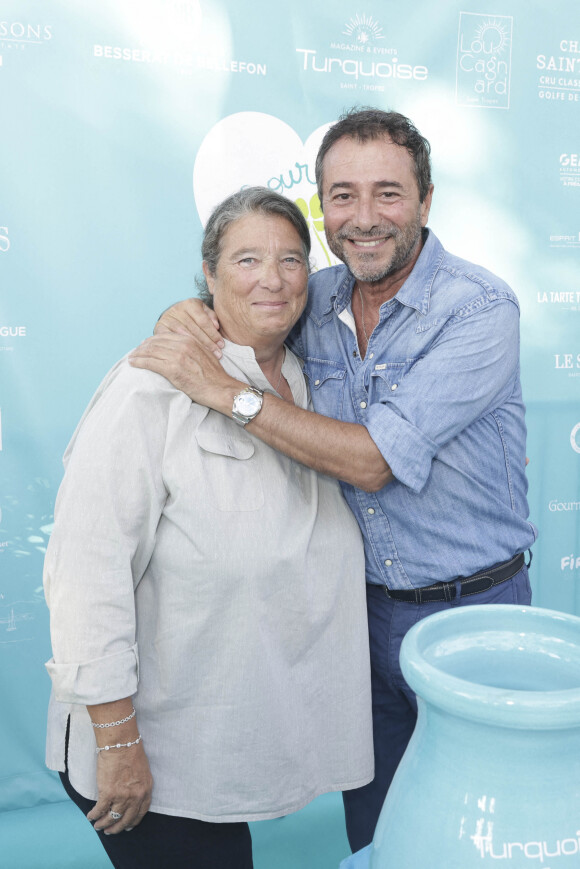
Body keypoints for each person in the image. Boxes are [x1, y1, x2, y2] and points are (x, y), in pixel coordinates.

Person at [129, 108, 538, 853]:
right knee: (377, 833)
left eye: (388, 193)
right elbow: (224, 304)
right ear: (323, 207)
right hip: (353, 613)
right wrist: (186, 312)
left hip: (471, 612)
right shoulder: (311, 296)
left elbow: (372, 461)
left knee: (481, 836)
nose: (365, 217)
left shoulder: (479, 308)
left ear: (426, 201)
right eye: (342, 196)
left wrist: (230, 394)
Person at [43, 187, 374, 869]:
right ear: (210, 272)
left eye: (290, 259)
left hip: (225, 743)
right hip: (149, 753)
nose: (273, 278)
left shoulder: (316, 386)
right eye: (247, 258)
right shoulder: (151, 387)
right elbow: (86, 573)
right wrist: (117, 742)